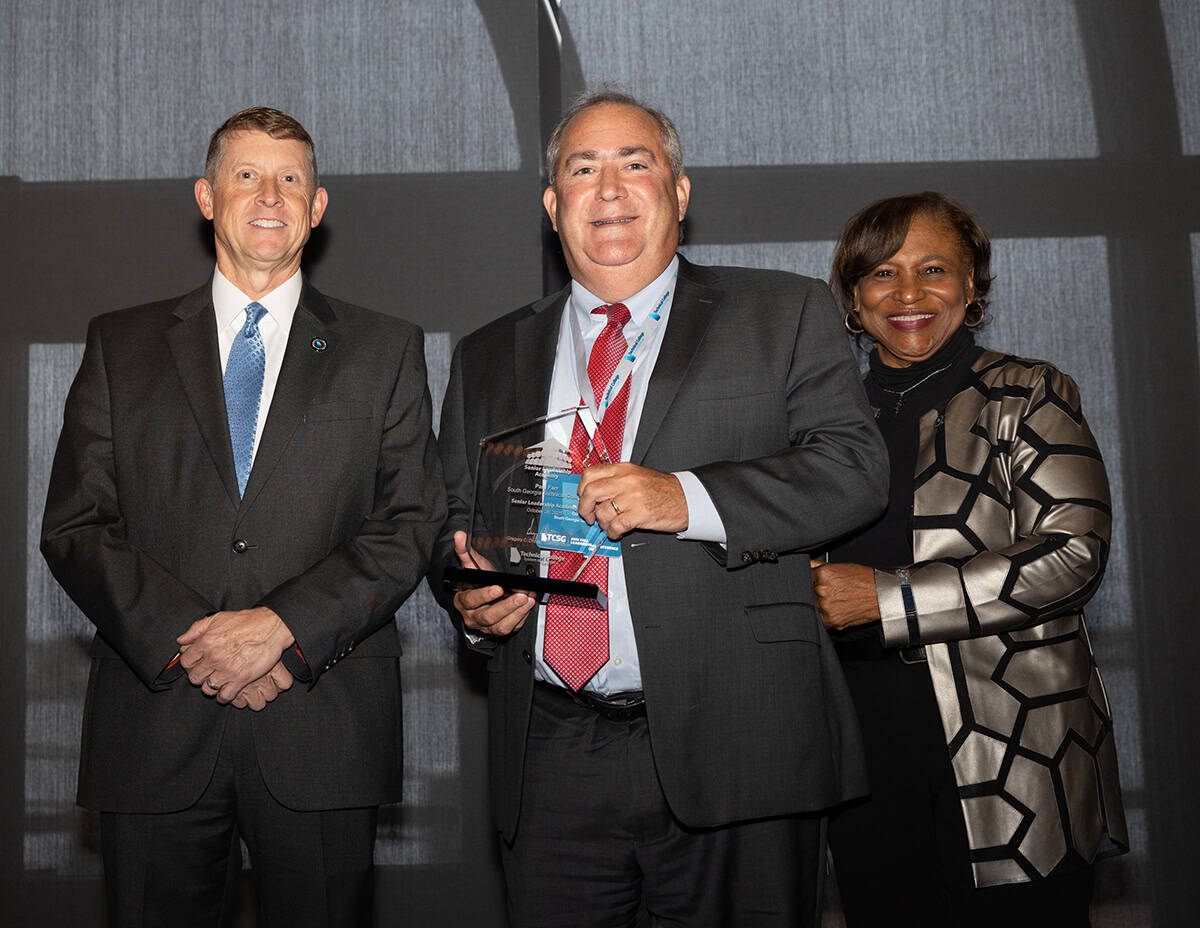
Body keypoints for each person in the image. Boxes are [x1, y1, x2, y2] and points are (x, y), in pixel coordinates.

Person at [435, 87, 888, 927]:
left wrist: (686, 498)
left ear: (679, 192)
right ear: (552, 205)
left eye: (634, 164)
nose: (608, 189)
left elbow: (855, 470)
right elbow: (455, 518)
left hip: (741, 736)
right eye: (582, 169)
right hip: (549, 752)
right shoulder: (488, 353)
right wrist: (472, 599)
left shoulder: (780, 311)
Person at [40, 106, 445, 927]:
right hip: (155, 730)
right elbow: (77, 525)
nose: (270, 195)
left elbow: (409, 523)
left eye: (291, 178)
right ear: (207, 196)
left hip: (322, 726)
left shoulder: (384, 348)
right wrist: (199, 643)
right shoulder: (122, 345)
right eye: (247, 176)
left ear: (318, 206)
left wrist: (282, 632)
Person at [812, 191, 1128, 927]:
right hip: (862, 745)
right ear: (853, 300)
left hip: (1012, 745)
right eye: (883, 274)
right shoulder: (822, 426)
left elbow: (1073, 552)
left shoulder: (1029, 394)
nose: (910, 294)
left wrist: (888, 600)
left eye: (934, 270)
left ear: (972, 288)